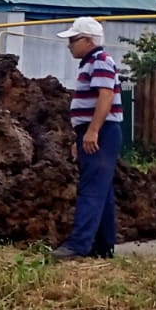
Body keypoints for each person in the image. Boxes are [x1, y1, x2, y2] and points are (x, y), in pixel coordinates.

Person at [52, 17, 122, 260]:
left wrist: (93, 131)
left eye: (73, 39)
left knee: (91, 189)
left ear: (88, 40)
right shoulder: (90, 63)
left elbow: (105, 96)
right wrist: (80, 136)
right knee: (101, 189)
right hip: (95, 131)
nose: (69, 45)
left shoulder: (101, 61)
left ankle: (78, 245)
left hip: (102, 131)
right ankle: (103, 246)